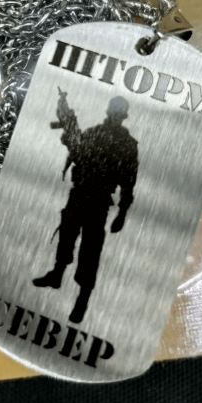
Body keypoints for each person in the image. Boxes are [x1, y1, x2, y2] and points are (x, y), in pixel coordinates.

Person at [33, 91, 139, 324]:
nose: (115, 116)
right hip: (79, 193)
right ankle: (57, 275)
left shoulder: (128, 145)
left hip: (99, 201)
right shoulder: (93, 133)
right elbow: (76, 148)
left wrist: (122, 213)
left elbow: (129, 182)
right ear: (109, 113)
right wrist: (66, 116)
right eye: (113, 112)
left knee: (91, 250)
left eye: (118, 113)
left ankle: (83, 299)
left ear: (123, 117)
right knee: (67, 235)